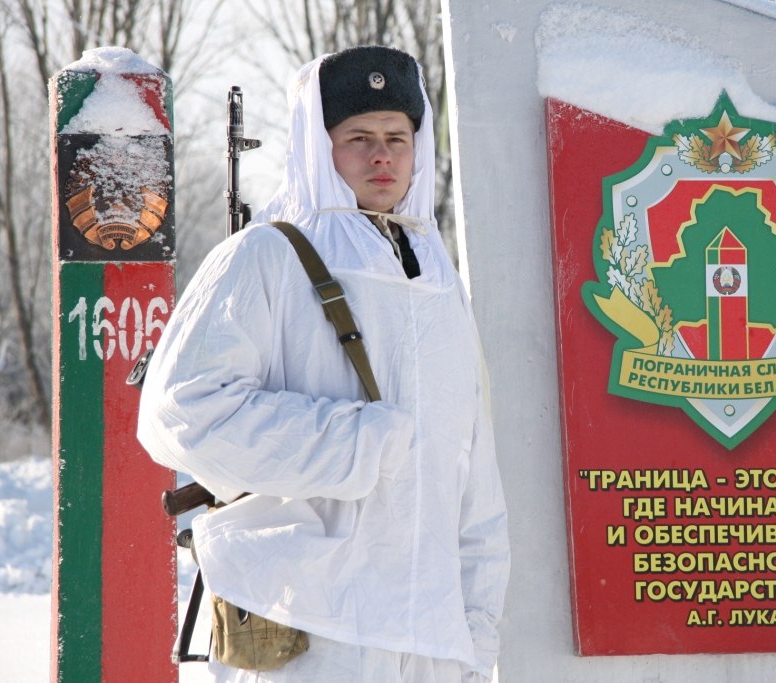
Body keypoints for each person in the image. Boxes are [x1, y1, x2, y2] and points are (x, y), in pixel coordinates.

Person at [137, 46, 509, 683]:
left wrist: (475, 633)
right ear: (319, 144)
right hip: (307, 629)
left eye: (397, 137)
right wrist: (354, 444)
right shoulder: (265, 256)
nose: (382, 155)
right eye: (358, 137)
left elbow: (474, 474)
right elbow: (182, 411)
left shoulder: (440, 280)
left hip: (431, 642)